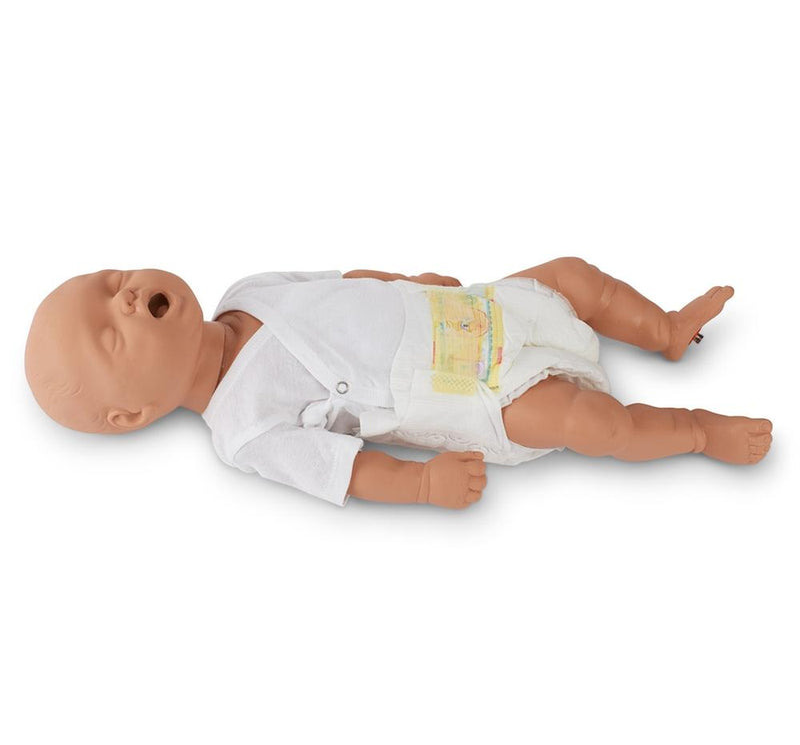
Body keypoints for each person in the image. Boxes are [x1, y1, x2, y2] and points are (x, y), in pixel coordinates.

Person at [24, 258, 773, 510]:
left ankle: (665, 330)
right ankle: (699, 430)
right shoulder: (243, 428)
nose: (127, 297)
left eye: (111, 282)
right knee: (592, 424)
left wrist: (403, 279)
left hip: (470, 310)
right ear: (132, 413)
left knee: (575, 279)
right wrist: (419, 485)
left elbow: (342, 281)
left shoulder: (245, 291)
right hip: (472, 392)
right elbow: (345, 470)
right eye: (111, 334)